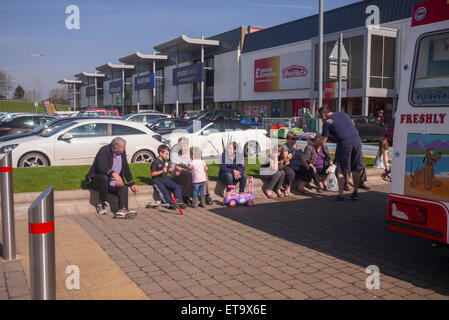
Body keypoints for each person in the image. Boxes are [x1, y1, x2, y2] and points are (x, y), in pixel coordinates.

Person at [318, 106, 366, 202]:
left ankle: (340, 195)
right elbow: (352, 123)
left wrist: (313, 143)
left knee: (341, 170)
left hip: (344, 144)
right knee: (356, 169)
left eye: (320, 117)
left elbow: (323, 141)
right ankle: (355, 192)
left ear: (323, 115)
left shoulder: (327, 122)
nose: (321, 120)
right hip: (357, 141)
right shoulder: (342, 113)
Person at [86, 137, 139, 219]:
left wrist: (132, 183)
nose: (125, 149)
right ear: (116, 148)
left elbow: (125, 167)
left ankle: (122, 210)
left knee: (124, 188)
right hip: (97, 180)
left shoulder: (122, 152)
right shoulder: (104, 151)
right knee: (104, 178)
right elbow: (101, 167)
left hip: (112, 182)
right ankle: (102, 204)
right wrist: (114, 174)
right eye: (123, 147)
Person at [172, 137, 213, 205]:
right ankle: (186, 196)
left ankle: (206, 196)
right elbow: (172, 166)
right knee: (192, 174)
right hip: (181, 174)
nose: (183, 147)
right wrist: (175, 171)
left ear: (187, 145)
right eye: (181, 145)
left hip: (192, 172)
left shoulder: (192, 153)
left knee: (203, 173)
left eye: (184, 145)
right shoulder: (175, 154)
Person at [151, 144, 186, 209]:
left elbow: (169, 168)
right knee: (164, 191)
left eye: (168, 154)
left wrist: (175, 170)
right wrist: (162, 171)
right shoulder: (155, 162)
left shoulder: (166, 161)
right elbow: (153, 174)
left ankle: (179, 201)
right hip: (157, 180)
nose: (167, 156)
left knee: (177, 187)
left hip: (165, 178)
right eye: (166, 154)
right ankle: (170, 203)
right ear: (161, 153)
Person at [282, 130, 302, 196]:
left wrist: (307, 165)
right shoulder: (285, 146)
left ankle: (301, 186)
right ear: (288, 139)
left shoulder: (298, 146)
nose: (294, 140)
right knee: (291, 172)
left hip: (297, 165)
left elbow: (302, 157)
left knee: (309, 169)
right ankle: (287, 188)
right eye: (293, 139)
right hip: (288, 166)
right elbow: (286, 160)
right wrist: (293, 152)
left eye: (296, 139)